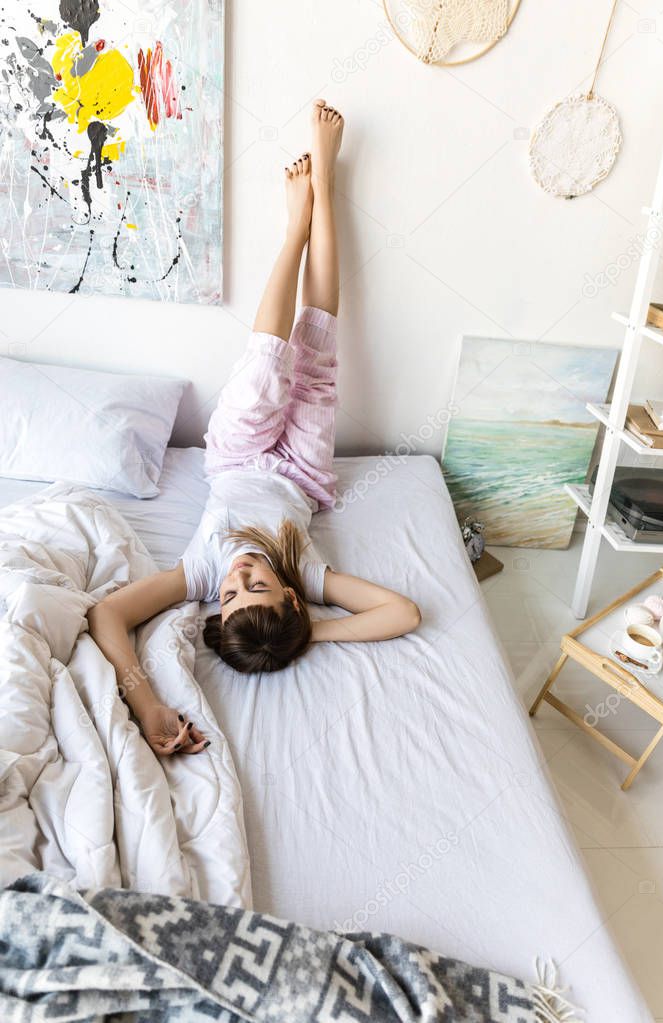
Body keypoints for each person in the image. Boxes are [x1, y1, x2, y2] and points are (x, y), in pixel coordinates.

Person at [87, 101, 421, 759]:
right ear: (294, 600)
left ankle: (295, 227)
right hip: (301, 469)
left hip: (237, 458)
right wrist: (312, 632)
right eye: (256, 585)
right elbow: (402, 613)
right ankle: (325, 182)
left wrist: (149, 701)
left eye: (232, 596)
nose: (239, 576)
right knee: (319, 338)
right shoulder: (313, 579)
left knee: (267, 368)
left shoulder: (205, 571)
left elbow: (108, 615)